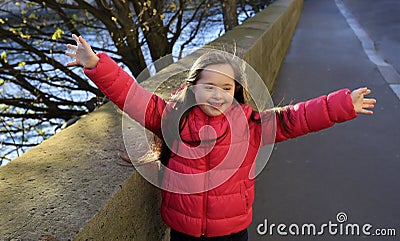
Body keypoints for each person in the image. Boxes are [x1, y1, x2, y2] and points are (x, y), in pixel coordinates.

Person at [66, 34, 376, 241]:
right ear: (193, 87)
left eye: (226, 89)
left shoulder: (251, 124)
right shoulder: (172, 117)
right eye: (209, 87)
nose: (218, 95)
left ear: (236, 92)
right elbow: (132, 96)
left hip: (231, 228)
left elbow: (297, 118)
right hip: (183, 227)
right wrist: (96, 64)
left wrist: (342, 104)